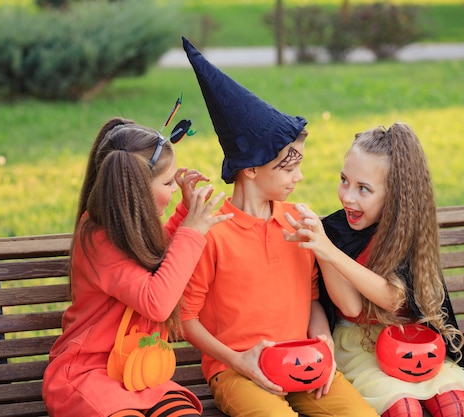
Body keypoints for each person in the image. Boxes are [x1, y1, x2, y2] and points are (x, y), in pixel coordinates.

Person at [179, 36, 378, 417]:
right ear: (250, 169)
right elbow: (187, 321)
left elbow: (310, 299)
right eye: (288, 166)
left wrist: (323, 343)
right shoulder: (213, 231)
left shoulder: (296, 221)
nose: (299, 176)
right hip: (237, 373)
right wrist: (238, 361)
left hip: (305, 362)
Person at [284, 123, 464, 417]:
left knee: (454, 406)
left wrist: (329, 251)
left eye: (363, 189)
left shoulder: (407, 235)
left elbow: (395, 299)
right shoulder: (333, 232)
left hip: (411, 342)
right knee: (404, 409)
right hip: (359, 348)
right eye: (344, 180)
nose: (347, 197)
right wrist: (325, 249)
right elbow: (351, 307)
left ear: (394, 196)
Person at [42, 114, 233, 417]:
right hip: (88, 375)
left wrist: (184, 211)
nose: (174, 188)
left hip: (137, 372)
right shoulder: (98, 240)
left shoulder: (128, 227)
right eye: (168, 182)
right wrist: (192, 232)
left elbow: (155, 261)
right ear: (137, 190)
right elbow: (156, 301)